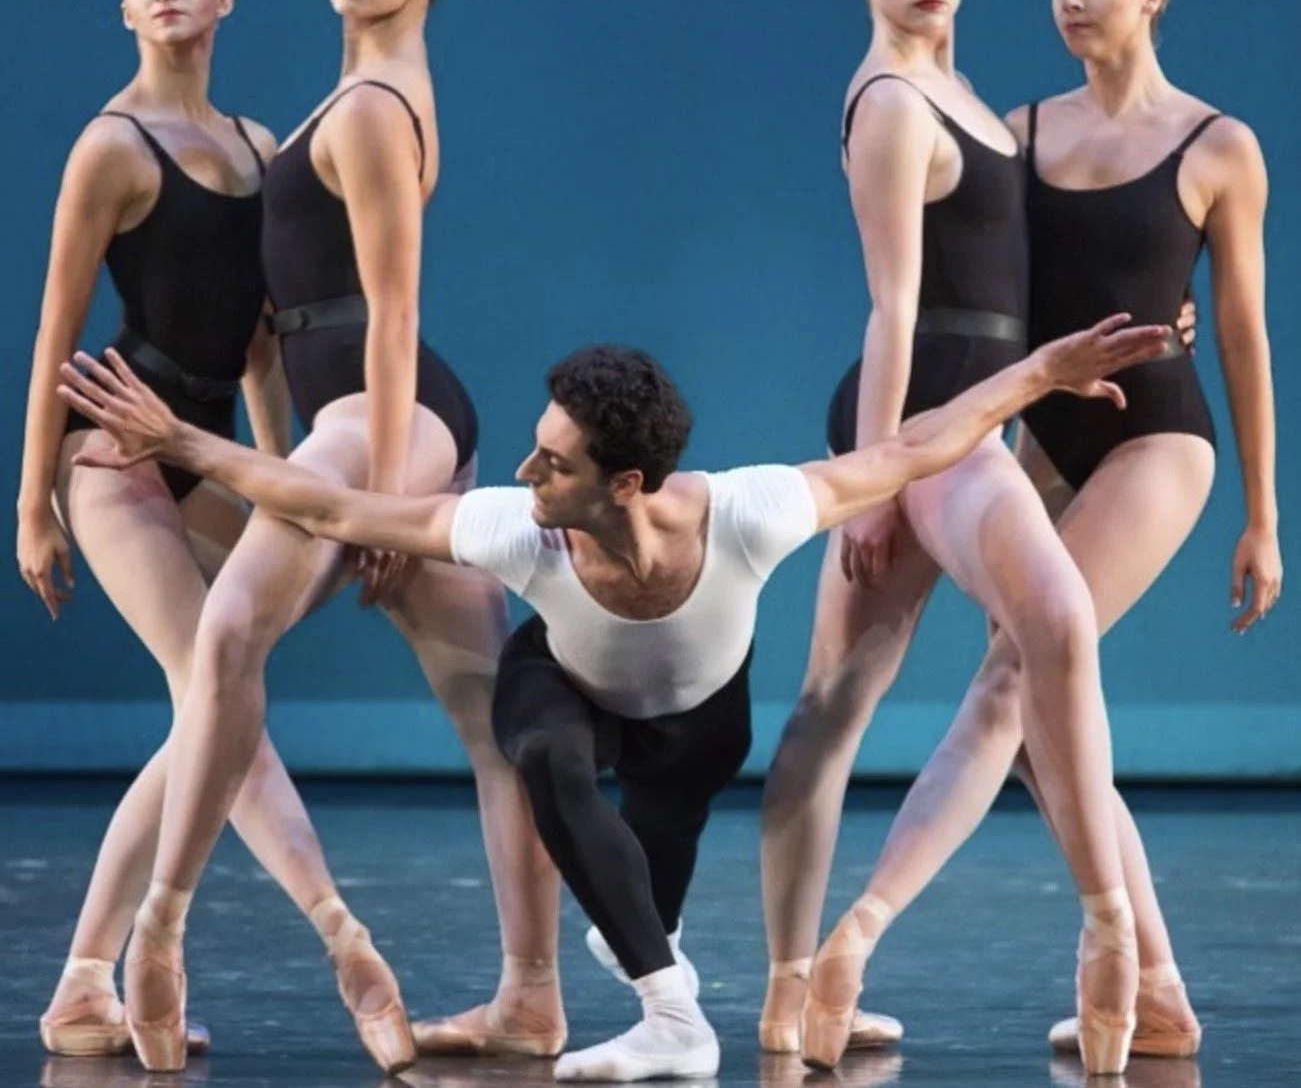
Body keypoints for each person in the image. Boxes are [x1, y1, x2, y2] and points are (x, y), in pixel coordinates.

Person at [59, 315, 1171, 1081]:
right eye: (534, 455)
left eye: (554, 463)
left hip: (693, 721)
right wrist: (184, 441)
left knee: (644, 891)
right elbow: (328, 501)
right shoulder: (515, 524)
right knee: (542, 756)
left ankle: (649, 950)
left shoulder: (749, 511)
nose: (527, 476)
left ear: (627, 484)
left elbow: (914, 444)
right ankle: (673, 1019)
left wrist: (1035, 375)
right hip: (570, 688)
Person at [70, 0, 560, 1074]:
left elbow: (392, 315)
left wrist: (381, 491)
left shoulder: (380, 105)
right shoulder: (355, 92)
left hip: (379, 411)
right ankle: (531, 996)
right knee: (492, 718)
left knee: (227, 640)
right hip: (366, 419)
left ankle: (162, 935)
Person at [808, 0, 1279, 1067]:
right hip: (1036, 432)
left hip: (1157, 434)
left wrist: (1264, 515)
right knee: (1049, 725)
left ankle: (857, 933)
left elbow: (1240, 337)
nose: (1070, 0)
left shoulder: (1216, 145)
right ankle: (1158, 986)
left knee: (1017, 677)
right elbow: (967, 283)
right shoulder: (1014, 128)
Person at [755, 0, 1156, 1074]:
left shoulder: (958, 85)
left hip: (968, 415)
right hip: (920, 420)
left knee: (848, 702)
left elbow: (996, 287)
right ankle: (1092, 935)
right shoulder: (886, 99)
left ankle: (814, 985)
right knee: (879, 692)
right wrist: (871, 479)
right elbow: (894, 306)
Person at [16, 0, 368, 1061]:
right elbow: (55, 333)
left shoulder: (261, 146)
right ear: (125, 9)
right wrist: (29, 504)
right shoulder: (110, 147)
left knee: (211, 704)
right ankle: (336, 929)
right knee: (215, 689)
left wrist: (291, 486)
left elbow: (264, 344)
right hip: (113, 448)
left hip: (208, 438)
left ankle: (82, 981)